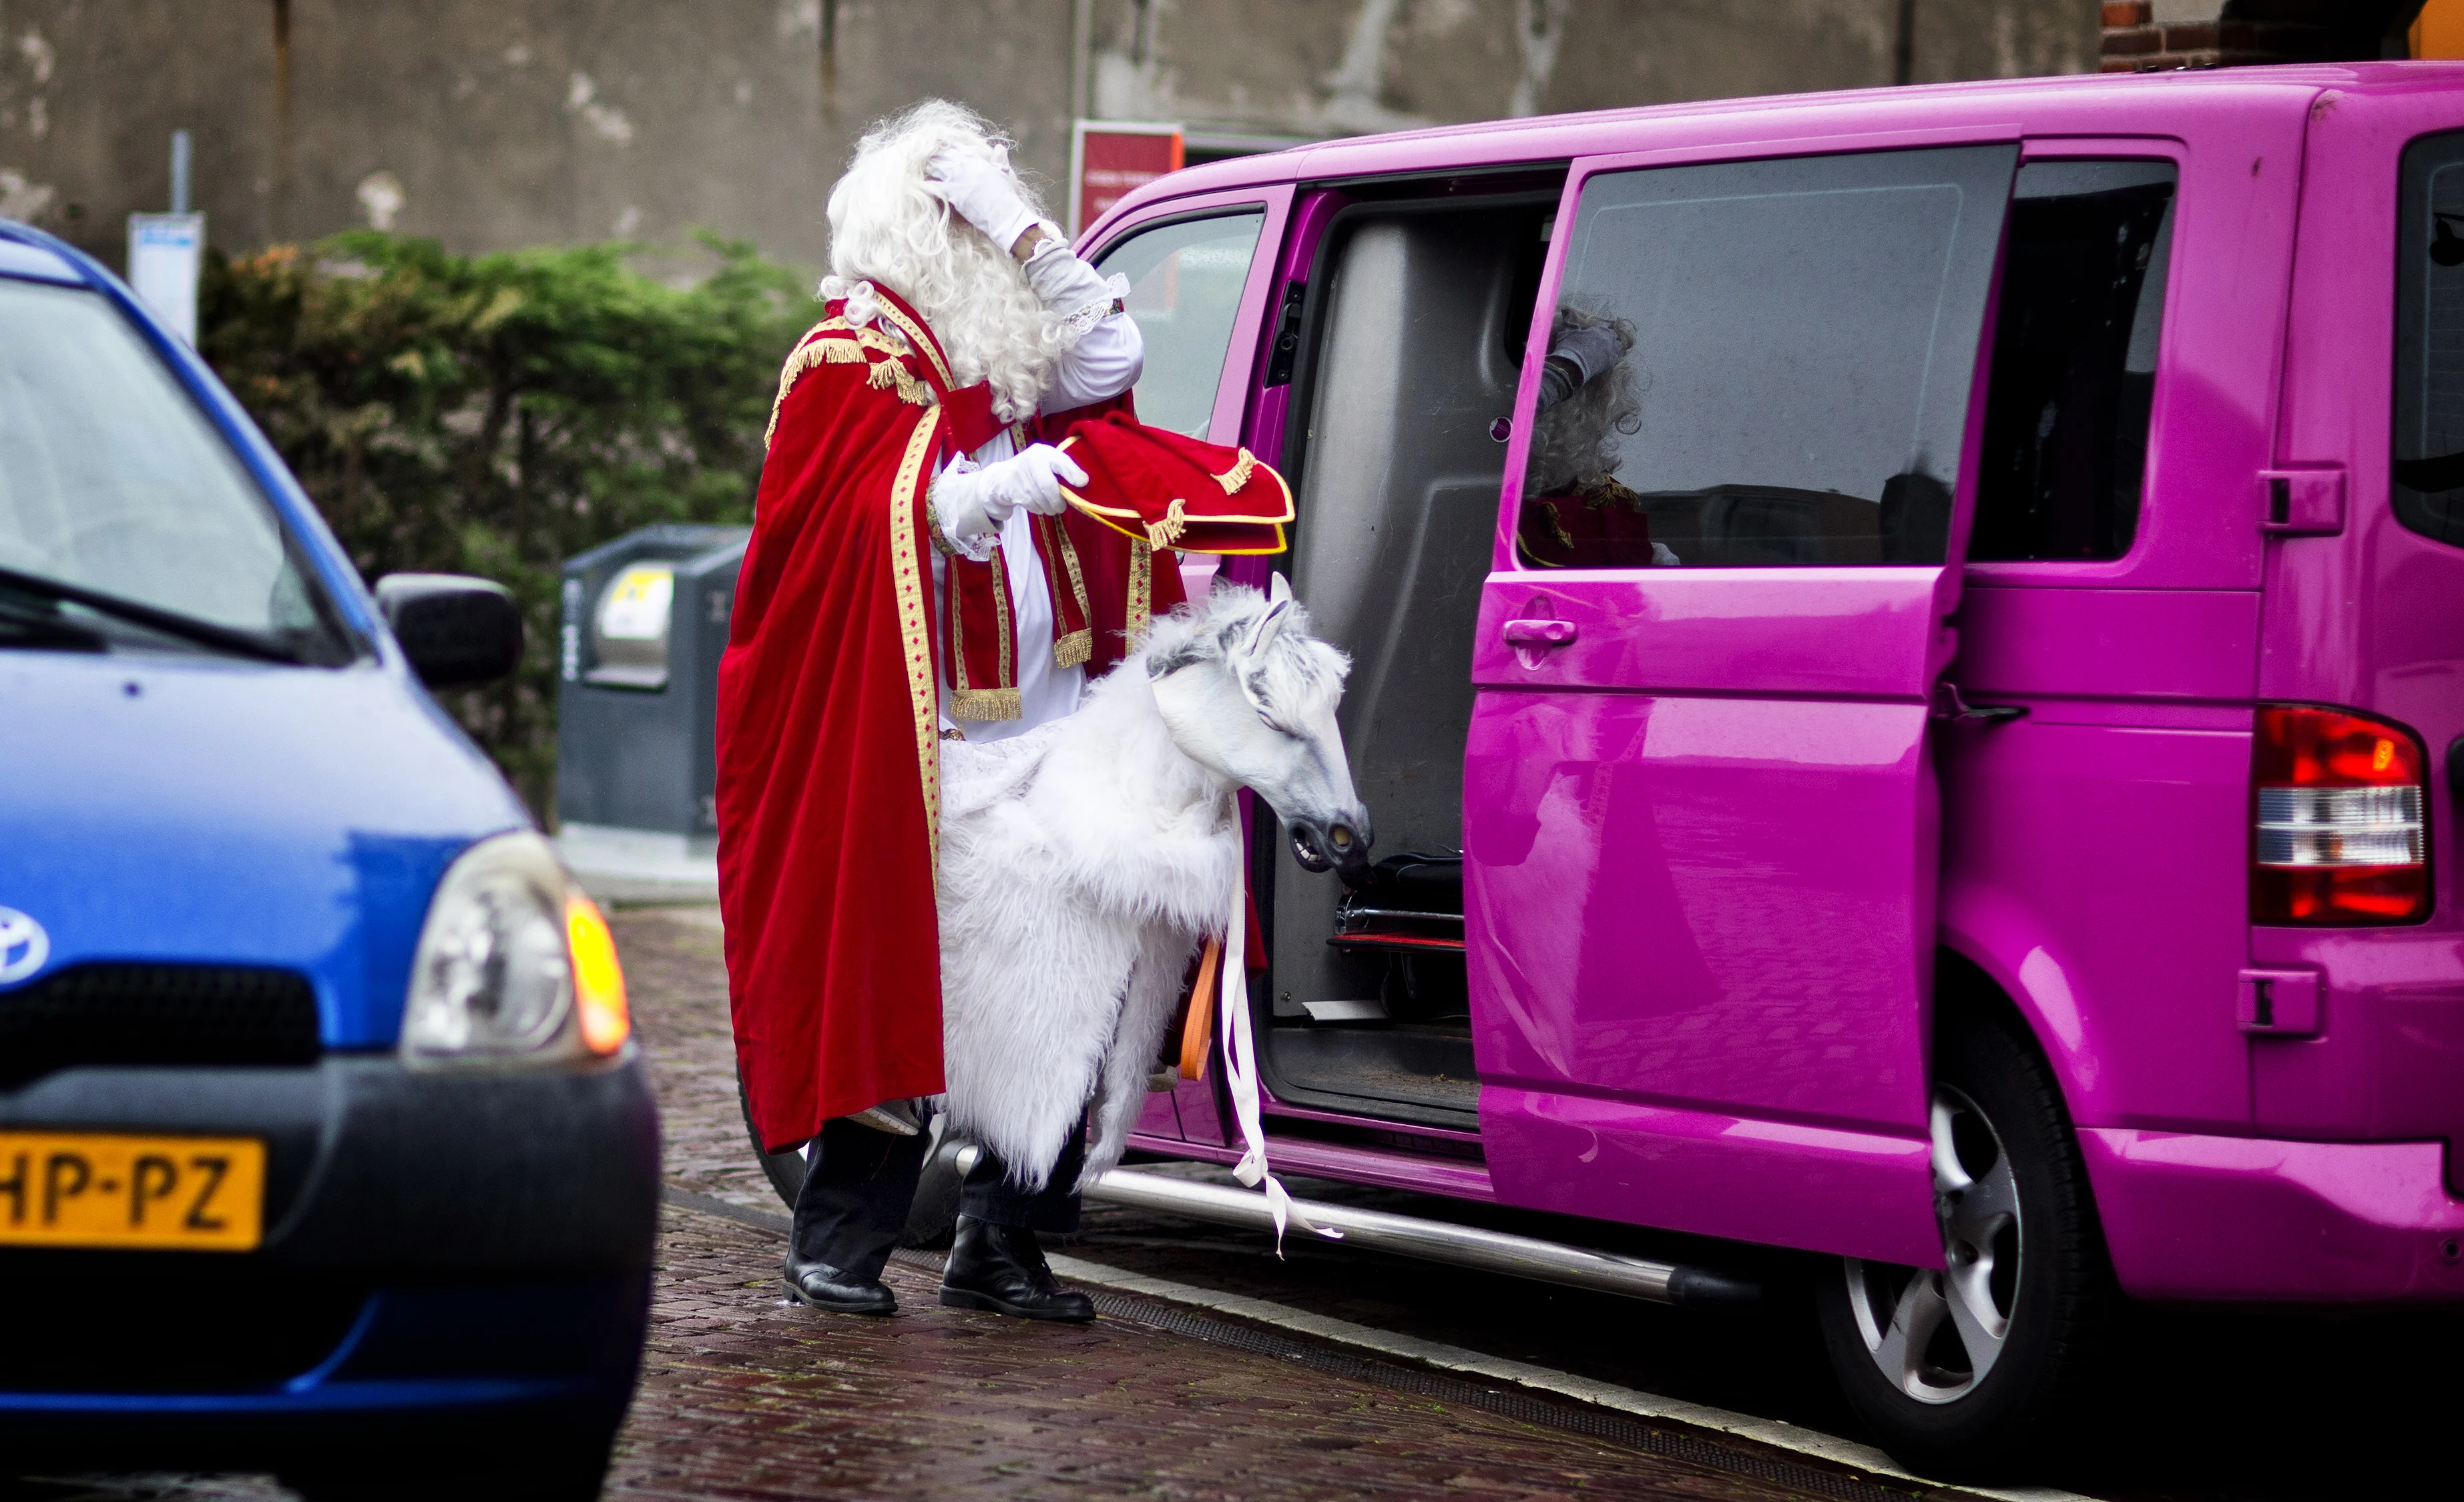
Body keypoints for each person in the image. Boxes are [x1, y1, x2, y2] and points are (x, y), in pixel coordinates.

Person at [714, 100, 1184, 1324]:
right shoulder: (848, 352)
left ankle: (1005, 1241)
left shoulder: (1002, 329)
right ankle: (843, 1241)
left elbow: (1111, 357)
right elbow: (845, 518)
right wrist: (967, 497)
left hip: (1053, 706)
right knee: (914, 973)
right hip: (925, 735)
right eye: (952, 214)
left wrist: (1020, 224)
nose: (969, 235)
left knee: (1061, 979)